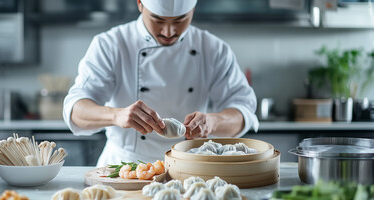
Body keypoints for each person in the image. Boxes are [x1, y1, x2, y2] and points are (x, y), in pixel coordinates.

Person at [63, 0, 259, 167]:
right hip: (124, 168)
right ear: (139, 3)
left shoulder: (213, 49)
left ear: (193, 9)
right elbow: (75, 110)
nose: (168, 31)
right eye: (158, 20)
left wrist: (212, 122)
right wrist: (117, 115)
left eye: (180, 20)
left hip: (189, 167)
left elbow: (244, 112)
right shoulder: (111, 44)